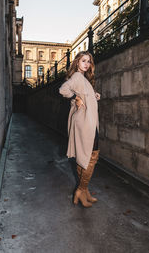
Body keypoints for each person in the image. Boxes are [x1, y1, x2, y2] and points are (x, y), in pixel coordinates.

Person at [59, 51, 100, 208]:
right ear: (77, 62)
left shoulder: (83, 79)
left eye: (88, 61)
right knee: (92, 154)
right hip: (84, 122)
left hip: (87, 121)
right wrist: (74, 98)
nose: (87, 64)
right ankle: (81, 190)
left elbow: (82, 93)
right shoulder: (77, 76)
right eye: (83, 61)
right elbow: (63, 90)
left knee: (84, 154)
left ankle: (84, 191)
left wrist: (93, 95)